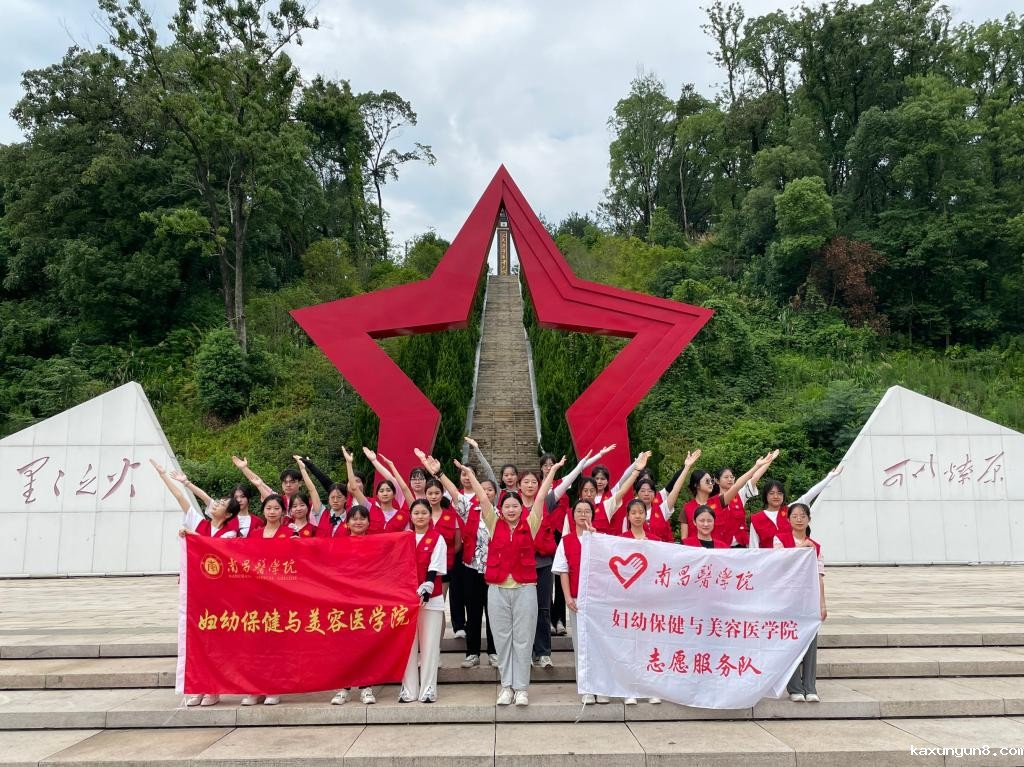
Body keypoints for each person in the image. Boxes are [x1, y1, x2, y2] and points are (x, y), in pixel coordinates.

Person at [454, 456, 560, 706]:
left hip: (524, 589)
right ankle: (506, 686)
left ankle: (521, 688)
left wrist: (552, 473)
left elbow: (541, 499)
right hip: (497, 589)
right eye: (507, 506)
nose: (511, 510)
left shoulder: (530, 525)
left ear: (521, 509)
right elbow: (483, 498)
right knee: (502, 639)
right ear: (501, 509)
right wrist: (470, 473)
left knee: (523, 639)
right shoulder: (493, 524)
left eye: (515, 506)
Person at [534, 447, 614, 666]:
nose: (548, 468)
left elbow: (575, 473)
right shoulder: (531, 494)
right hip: (542, 548)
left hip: (554, 541)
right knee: (543, 600)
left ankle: (556, 626)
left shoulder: (557, 491)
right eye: (545, 465)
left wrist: (594, 457)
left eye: (551, 465)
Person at [552, 499, 610, 704]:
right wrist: (568, 597)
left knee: (599, 643)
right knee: (581, 644)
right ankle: (586, 687)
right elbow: (563, 571)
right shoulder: (566, 541)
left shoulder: (600, 539)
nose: (583, 514)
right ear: (573, 515)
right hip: (577, 599)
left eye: (587, 511)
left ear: (593, 515)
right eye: (579, 511)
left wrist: (595, 539)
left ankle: (601, 686)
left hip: (598, 599)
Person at [774, 502, 827, 703]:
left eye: (803, 515)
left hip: (808, 600)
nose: (799, 519)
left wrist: (822, 604)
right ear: (788, 519)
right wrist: (800, 548)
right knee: (791, 641)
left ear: (809, 519)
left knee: (810, 642)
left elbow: (819, 576)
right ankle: (795, 687)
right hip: (787, 600)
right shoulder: (780, 539)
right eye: (795, 516)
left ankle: (810, 687)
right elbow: (780, 565)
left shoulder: (816, 546)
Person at [400, 499, 448, 703]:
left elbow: (435, 565)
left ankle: (428, 689)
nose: (420, 516)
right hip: (406, 599)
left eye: (424, 513)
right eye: (416, 513)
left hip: (431, 598)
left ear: (430, 515)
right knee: (407, 646)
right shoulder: (404, 538)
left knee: (429, 645)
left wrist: (427, 586)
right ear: (411, 516)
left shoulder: (437, 538)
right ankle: (408, 689)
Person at [331, 505, 378, 706]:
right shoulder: (337, 545)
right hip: (344, 601)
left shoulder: (377, 544)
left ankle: (366, 687)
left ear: (369, 522)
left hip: (367, 601)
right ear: (347, 523)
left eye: (362, 518)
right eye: (354, 518)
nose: (358, 522)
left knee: (367, 644)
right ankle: (344, 688)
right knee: (344, 645)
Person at [682, 451, 778, 541]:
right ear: (717, 481)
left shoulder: (739, 495)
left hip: (740, 545)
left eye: (732, 477)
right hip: (721, 546)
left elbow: (754, 478)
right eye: (726, 477)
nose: (730, 479)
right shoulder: (713, 502)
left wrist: (768, 461)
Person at [611, 450, 701, 542]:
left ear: (655, 493)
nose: (646, 494)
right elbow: (624, 542)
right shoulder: (630, 514)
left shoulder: (662, 510)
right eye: (642, 491)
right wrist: (636, 468)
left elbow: (675, 490)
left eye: (650, 491)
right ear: (636, 493)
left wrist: (686, 467)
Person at [748, 466, 844, 549]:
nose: (776, 496)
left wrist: (829, 477)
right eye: (772, 493)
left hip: (793, 560)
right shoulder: (756, 519)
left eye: (779, 493)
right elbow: (753, 548)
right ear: (765, 496)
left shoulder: (791, 510)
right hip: (769, 562)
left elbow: (810, 494)